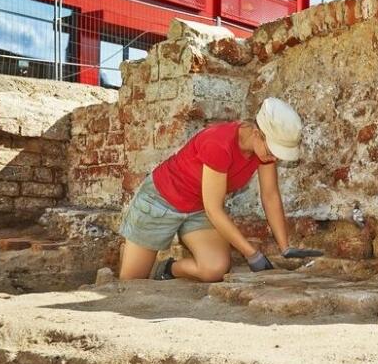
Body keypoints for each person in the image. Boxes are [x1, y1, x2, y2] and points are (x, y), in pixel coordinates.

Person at [117, 97, 321, 282]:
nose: (275, 158)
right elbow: (214, 209)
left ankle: (168, 269)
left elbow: (270, 195)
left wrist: (285, 247)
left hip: (198, 208)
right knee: (131, 282)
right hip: (160, 201)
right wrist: (252, 254)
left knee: (215, 269)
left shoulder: (263, 155)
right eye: (272, 150)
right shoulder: (219, 143)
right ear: (257, 133)